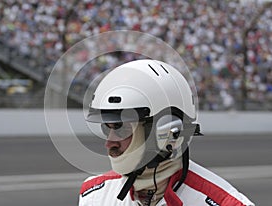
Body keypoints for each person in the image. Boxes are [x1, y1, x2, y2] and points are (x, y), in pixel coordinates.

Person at [78, 59, 254, 206]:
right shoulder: (94, 196)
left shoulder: (224, 203)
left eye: (122, 128)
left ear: (166, 132)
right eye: (106, 127)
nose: (109, 143)